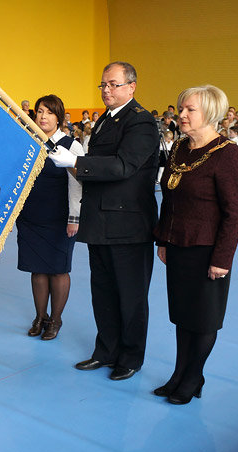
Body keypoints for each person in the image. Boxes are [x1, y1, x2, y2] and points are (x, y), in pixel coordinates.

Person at [49, 61, 159, 381]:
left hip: (128, 224)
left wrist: (76, 161)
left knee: (131, 295)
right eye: (103, 85)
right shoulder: (103, 122)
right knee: (104, 293)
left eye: (113, 84)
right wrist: (74, 165)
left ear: (131, 87)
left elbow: (124, 166)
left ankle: (131, 356)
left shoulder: (141, 123)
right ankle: (106, 351)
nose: (107, 90)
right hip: (99, 221)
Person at [153, 85, 238, 404]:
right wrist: (163, 238)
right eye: (181, 108)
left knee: (204, 317)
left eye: (189, 109)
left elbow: (234, 213)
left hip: (208, 250)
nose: (181, 114)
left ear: (210, 114)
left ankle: (194, 377)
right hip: (178, 244)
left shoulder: (227, 154)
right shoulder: (180, 147)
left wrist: (222, 259)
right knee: (183, 314)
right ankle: (180, 373)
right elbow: (169, 198)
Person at [17, 95, 84, 340]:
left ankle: (55, 320)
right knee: (37, 270)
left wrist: (74, 218)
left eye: (49, 112)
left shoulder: (71, 145)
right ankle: (40, 317)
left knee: (57, 270)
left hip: (59, 218)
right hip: (31, 217)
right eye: (40, 112)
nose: (43, 117)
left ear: (59, 117)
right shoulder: (29, 143)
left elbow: (77, 184)